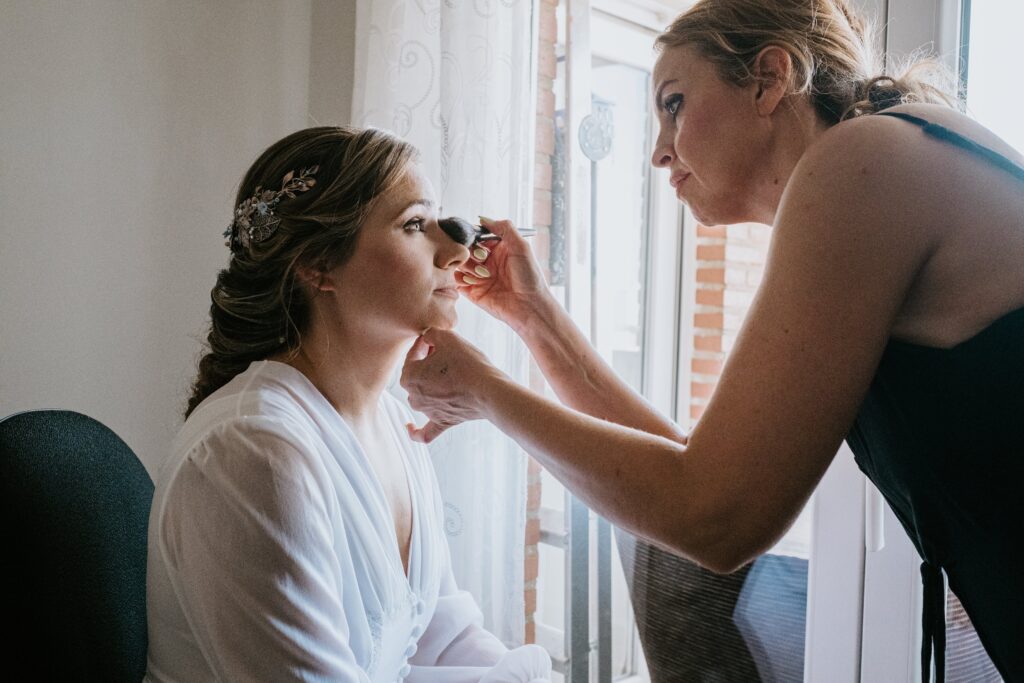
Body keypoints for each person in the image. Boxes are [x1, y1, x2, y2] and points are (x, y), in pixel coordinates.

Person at [399, 0, 1024, 680]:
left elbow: (714, 517)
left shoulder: (861, 165)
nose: (658, 150)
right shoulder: (881, 158)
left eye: (674, 103)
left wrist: (486, 392)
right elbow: (691, 470)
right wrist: (534, 317)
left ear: (769, 79)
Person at [144, 126, 551, 683]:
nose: (457, 250)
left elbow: (441, 640)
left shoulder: (389, 422)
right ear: (318, 264)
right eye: (414, 224)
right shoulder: (255, 452)